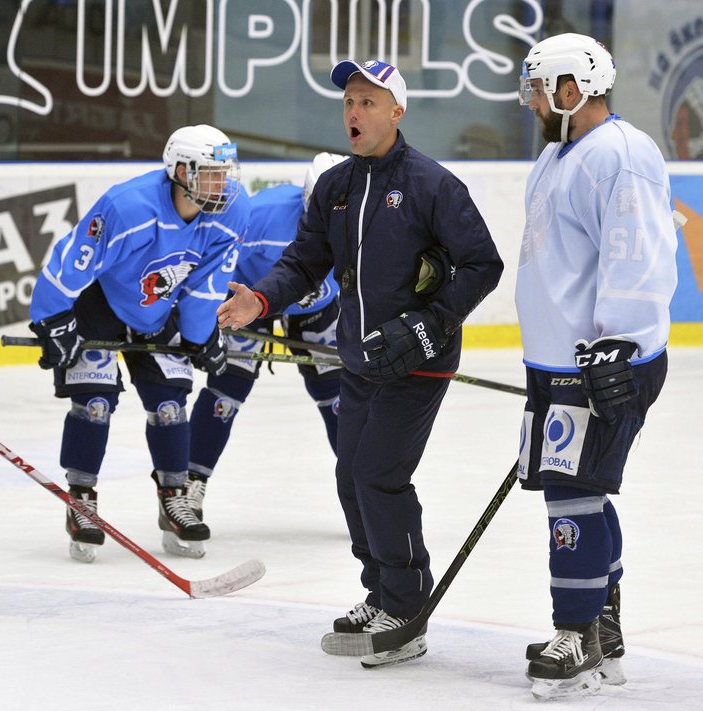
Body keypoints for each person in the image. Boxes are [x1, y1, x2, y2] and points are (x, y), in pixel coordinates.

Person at [217, 59, 503, 668]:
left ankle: (408, 608)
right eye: (349, 100)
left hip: (419, 361)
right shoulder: (337, 187)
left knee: (378, 474)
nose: (354, 112)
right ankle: (380, 591)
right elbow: (303, 262)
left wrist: (430, 324)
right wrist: (261, 298)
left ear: (397, 112)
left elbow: (484, 264)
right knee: (351, 477)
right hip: (360, 359)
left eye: (368, 102)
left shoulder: (434, 185)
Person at [515, 33, 677, 701]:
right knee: (580, 489)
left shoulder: (622, 153)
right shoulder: (557, 156)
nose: (529, 100)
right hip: (557, 363)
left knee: (570, 494)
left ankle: (575, 633)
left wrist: (621, 343)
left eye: (537, 87)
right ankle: (599, 626)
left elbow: (638, 251)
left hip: (599, 360)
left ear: (570, 87)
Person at [28, 124, 249, 563]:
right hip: (101, 306)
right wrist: (51, 318)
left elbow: (208, 282)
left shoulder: (231, 211)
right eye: (211, 173)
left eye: (225, 172)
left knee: (169, 406)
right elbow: (72, 259)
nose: (222, 184)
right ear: (181, 171)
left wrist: (202, 336)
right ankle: (82, 499)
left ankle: (174, 498)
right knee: (95, 404)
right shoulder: (129, 207)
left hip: (157, 311)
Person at [185, 153, 347, 522]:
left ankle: (363, 492)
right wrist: (199, 320)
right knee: (227, 390)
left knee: (339, 398)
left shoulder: (369, 222)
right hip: (250, 301)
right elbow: (213, 261)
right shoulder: (260, 217)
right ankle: (189, 485)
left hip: (316, 308)